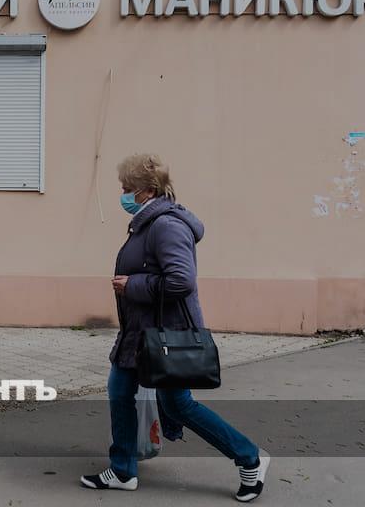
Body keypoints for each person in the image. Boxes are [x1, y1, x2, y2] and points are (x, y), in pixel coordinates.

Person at [80, 154, 269, 503]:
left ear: (148, 191)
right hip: (141, 332)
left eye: (127, 188)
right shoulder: (147, 222)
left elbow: (182, 280)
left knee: (178, 405)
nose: (122, 194)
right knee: (120, 392)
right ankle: (122, 470)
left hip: (166, 336)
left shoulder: (166, 225)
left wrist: (132, 285)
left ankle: (250, 458)